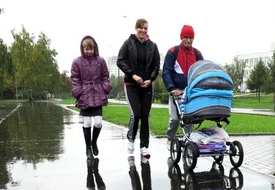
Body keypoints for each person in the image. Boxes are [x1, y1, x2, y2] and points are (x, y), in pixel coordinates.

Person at [117, 18, 160, 158]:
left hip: (146, 86)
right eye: (140, 28)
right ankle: (130, 139)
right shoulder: (128, 43)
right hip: (131, 85)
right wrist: (133, 75)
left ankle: (144, 146)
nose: (143, 30)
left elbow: (156, 66)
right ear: (136, 29)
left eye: (145, 28)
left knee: (145, 116)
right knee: (136, 115)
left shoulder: (152, 46)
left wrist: (150, 79)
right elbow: (120, 61)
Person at [162, 25, 204, 148]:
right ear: (181, 37)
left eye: (191, 38)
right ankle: (170, 136)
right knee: (175, 118)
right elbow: (166, 72)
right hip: (176, 91)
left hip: (191, 91)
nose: (188, 40)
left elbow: (201, 71)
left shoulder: (197, 54)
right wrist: (171, 88)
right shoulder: (172, 52)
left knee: (190, 119)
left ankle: (188, 140)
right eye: (186, 37)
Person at [71, 36, 112, 160]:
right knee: (87, 122)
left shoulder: (101, 61)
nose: (88, 51)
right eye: (86, 49)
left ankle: (94, 142)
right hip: (84, 95)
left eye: (91, 49)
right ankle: (87, 148)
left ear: (95, 48)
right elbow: (75, 78)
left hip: (98, 94)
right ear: (82, 49)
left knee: (98, 122)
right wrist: (79, 91)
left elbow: (105, 76)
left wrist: (105, 88)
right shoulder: (77, 62)